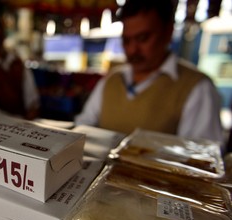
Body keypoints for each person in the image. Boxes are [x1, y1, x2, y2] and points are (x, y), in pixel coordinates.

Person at [75, 0, 224, 144]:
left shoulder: (197, 87)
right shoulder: (112, 79)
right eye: (127, 41)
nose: (133, 50)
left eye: (143, 38)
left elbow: (200, 155)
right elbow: (84, 126)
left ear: (168, 32)